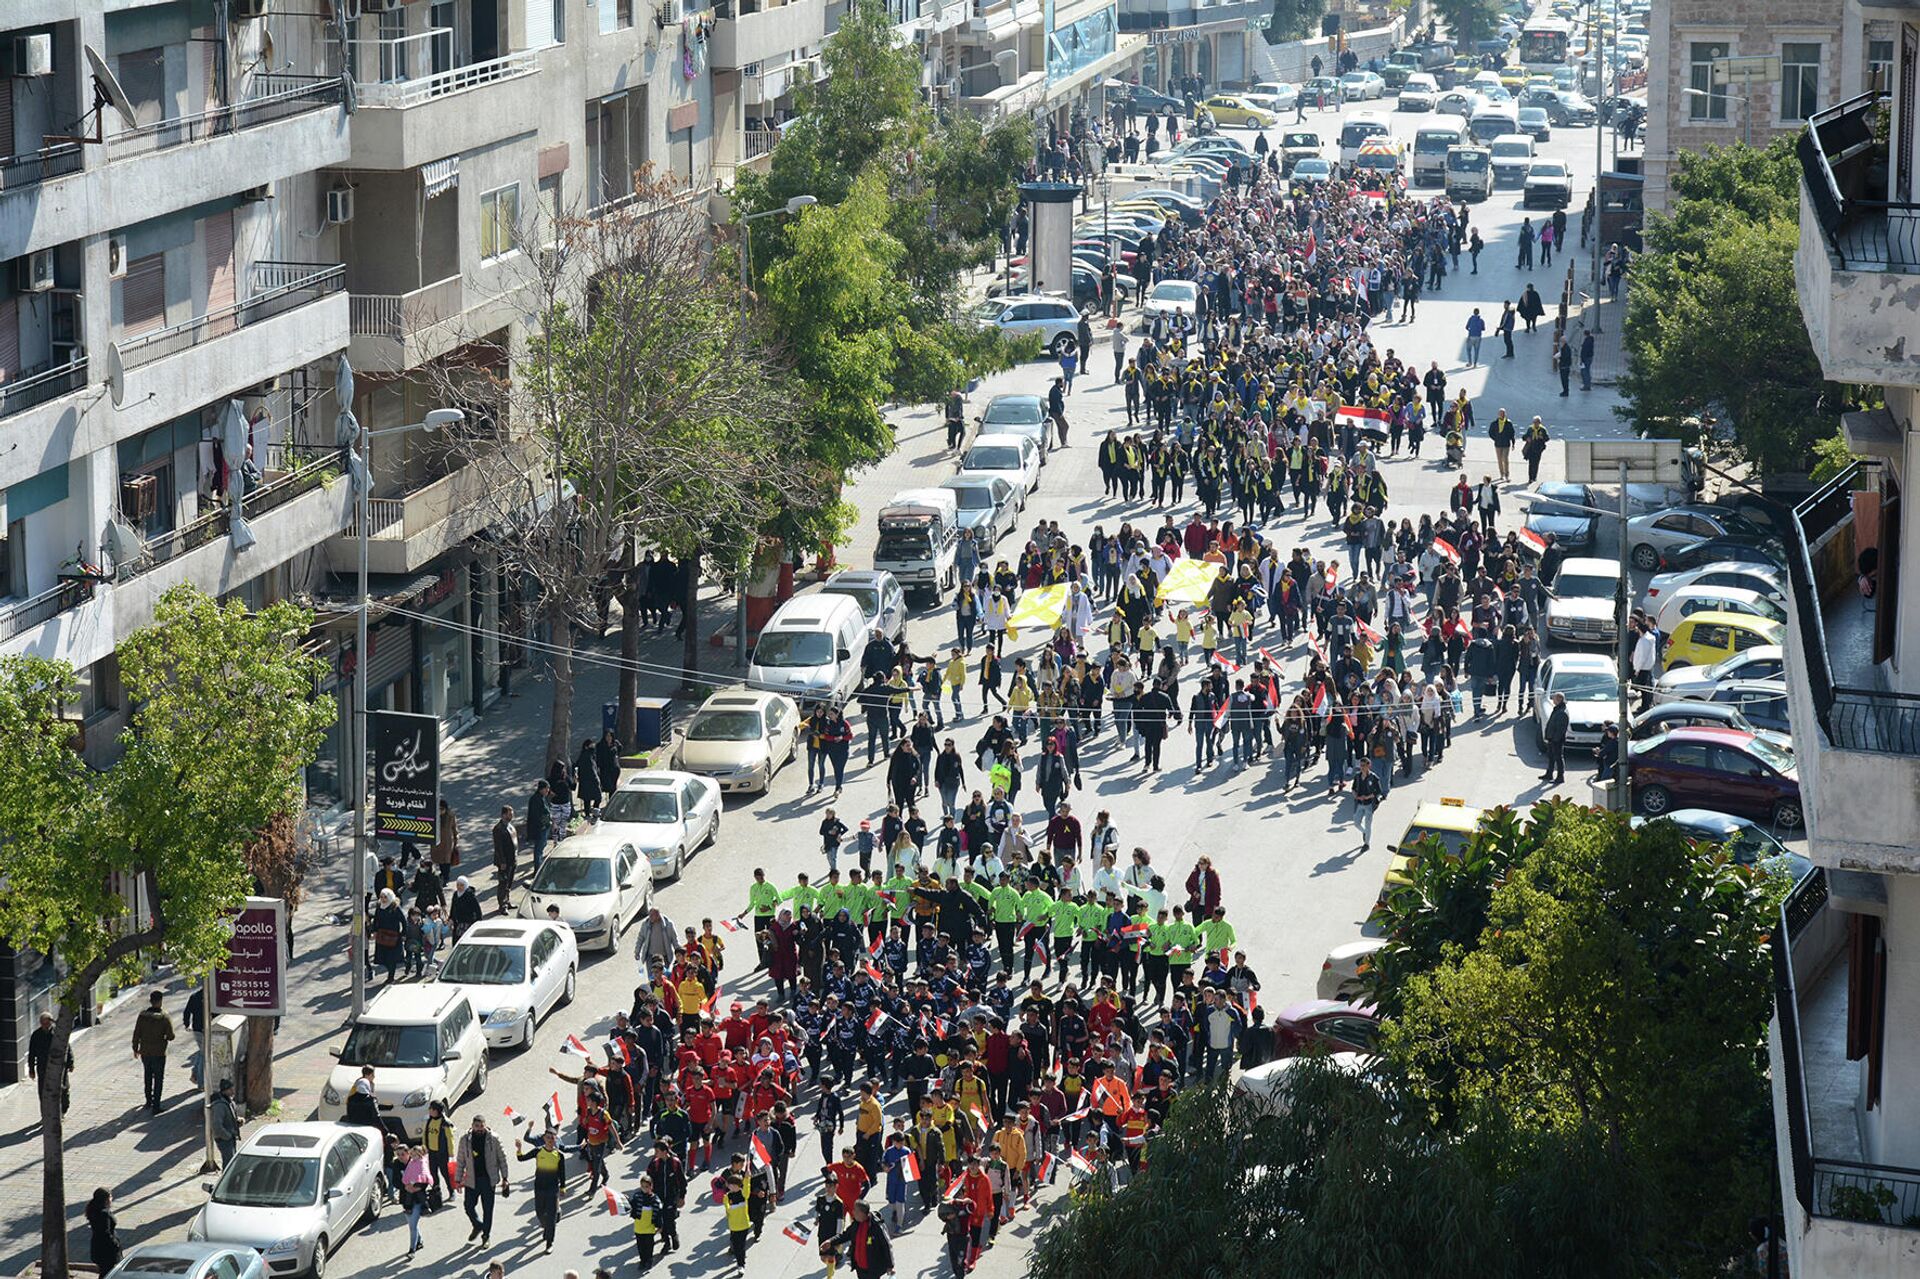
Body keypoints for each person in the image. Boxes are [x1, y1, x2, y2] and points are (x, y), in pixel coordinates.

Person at [456, 1113, 511, 1246]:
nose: (479, 1128)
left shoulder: (494, 1139)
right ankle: (478, 1225)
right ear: (472, 1126)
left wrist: (505, 1178)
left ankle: (486, 1236)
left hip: (488, 1180)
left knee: (488, 1209)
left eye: (481, 1126)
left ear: (485, 1125)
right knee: (468, 1206)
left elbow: (502, 1159)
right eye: (477, 1126)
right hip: (471, 1179)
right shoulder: (465, 1140)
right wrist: (457, 1180)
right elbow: (460, 1160)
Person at [131, 989, 174, 1113]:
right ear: (160, 1001)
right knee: (158, 1078)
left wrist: (135, 1048)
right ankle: (156, 1105)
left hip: (145, 1052)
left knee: (148, 1075)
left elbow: (136, 1033)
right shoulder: (164, 1017)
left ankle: (148, 1101)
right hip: (159, 1052)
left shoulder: (142, 1016)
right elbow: (171, 1035)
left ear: (150, 1001)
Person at [834, 1201, 896, 1279]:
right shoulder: (856, 1224)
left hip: (873, 1270)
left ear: (862, 1213)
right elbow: (845, 1235)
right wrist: (830, 1242)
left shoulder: (877, 1226)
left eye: (855, 1210)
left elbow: (886, 1245)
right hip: (860, 1269)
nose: (853, 1212)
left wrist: (890, 1265)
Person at [27, 1012, 71, 1115]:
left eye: (47, 1023)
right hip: (43, 1067)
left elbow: (67, 1048)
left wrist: (70, 1062)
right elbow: (32, 1053)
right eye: (43, 1023)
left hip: (59, 1066)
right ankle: (46, 1114)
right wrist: (31, 1069)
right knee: (44, 1092)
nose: (45, 1026)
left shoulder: (58, 1033)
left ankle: (62, 1111)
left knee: (63, 1089)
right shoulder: (36, 1035)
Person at [1351, 756, 1384, 852]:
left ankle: (1366, 843)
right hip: (1359, 803)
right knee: (1356, 823)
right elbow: (1353, 788)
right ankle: (1365, 832)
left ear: (1368, 766)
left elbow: (1378, 791)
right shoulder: (1357, 776)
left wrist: (1368, 796)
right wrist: (1356, 796)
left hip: (1369, 804)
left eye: (1363, 765)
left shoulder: (1373, 777)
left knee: (1368, 824)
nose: (1361, 767)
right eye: (1360, 765)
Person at [86, 1188, 120, 1275]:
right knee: (107, 1273)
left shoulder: (94, 1210)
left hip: (98, 1249)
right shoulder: (104, 1214)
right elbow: (105, 1233)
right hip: (106, 1251)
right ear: (106, 1199)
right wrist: (115, 1243)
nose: (112, 1199)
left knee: (105, 1272)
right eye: (110, 1197)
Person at [491, 805, 518, 914]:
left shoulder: (510, 826)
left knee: (509, 882)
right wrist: (502, 861)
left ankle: (507, 901)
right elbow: (498, 847)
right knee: (503, 883)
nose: (512, 815)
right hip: (504, 862)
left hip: (512, 860)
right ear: (504, 814)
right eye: (510, 813)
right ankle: (502, 904)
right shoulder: (498, 829)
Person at [210, 1078, 243, 1167]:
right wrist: (227, 1136)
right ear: (225, 1090)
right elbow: (216, 1125)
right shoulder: (220, 1105)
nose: (233, 1091)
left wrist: (237, 1121)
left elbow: (230, 1117)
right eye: (230, 1089)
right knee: (228, 1164)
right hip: (224, 1140)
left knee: (232, 1162)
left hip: (230, 1137)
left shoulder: (229, 1101)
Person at [1541, 691, 1569, 784]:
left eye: (1554, 699)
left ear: (1559, 699)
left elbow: (1560, 729)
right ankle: (1549, 773)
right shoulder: (1557, 709)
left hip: (1556, 740)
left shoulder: (1562, 712)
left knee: (1558, 758)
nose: (1553, 700)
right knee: (1551, 757)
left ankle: (1560, 777)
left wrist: (1555, 739)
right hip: (1552, 738)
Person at [1579, 326, 1596, 391]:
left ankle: (1586, 386)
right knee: (1587, 371)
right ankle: (1587, 385)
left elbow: (1585, 351)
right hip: (1589, 357)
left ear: (1584, 334)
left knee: (1584, 372)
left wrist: (1582, 360)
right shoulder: (1590, 339)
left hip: (1585, 359)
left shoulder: (1587, 341)